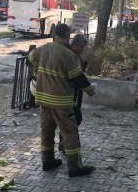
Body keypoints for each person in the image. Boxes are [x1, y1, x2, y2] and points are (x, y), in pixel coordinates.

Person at [28, 24, 96, 177]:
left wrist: (37, 70)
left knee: (47, 132)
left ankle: (48, 161)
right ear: (66, 34)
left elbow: (30, 58)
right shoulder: (68, 55)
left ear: (54, 33)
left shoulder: (43, 49)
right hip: (61, 102)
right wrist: (90, 90)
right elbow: (77, 77)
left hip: (43, 100)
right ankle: (74, 167)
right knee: (70, 133)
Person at [58, 34, 88, 154]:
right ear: (74, 44)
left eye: (83, 47)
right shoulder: (69, 55)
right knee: (75, 119)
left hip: (76, 92)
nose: (82, 49)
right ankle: (67, 144)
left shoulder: (77, 55)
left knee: (74, 119)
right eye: (81, 46)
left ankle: (64, 143)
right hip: (69, 94)